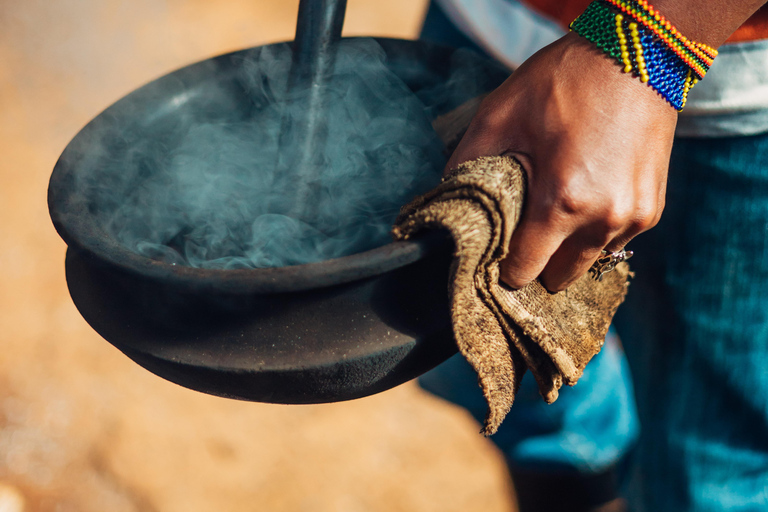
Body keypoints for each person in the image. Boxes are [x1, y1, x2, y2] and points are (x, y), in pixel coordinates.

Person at [417, 1, 768, 510]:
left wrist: (652, 44)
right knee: (510, 390)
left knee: (706, 473)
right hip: (484, 24)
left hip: (721, 86)